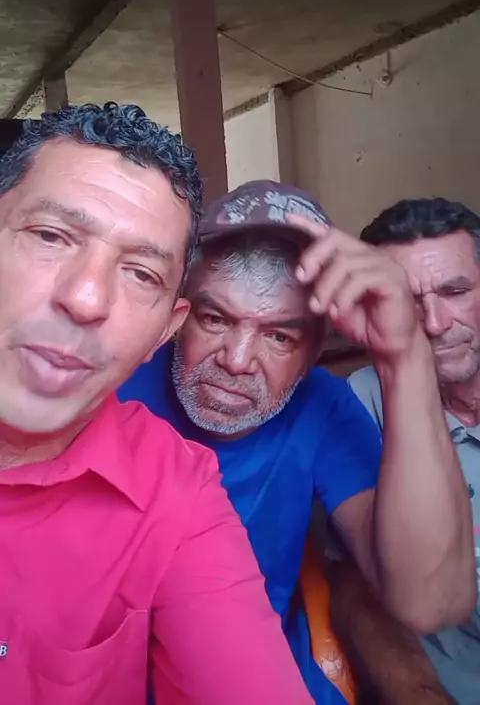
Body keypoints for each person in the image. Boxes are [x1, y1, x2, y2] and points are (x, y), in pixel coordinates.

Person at [0, 107, 315, 705]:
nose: (86, 297)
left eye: (142, 273)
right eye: (50, 236)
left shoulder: (175, 492)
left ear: (162, 332)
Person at [119, 180, 475, 704]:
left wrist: (404, 356)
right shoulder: (112, 386)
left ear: (313, 353)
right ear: (179, 314)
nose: (237, 360)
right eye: (215, 319)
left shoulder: (323, 407)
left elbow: (430, 602)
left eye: (279, 336)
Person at [350, 197, 480, 705]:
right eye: (405, 300)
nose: (434, 322)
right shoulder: (362, 400)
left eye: (455, 291)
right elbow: (350, 582)